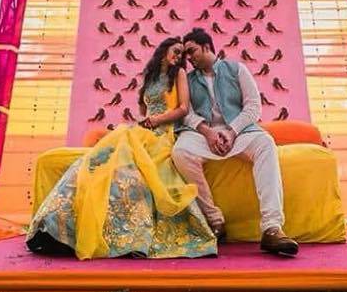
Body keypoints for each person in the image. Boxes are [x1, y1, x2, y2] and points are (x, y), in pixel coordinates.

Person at [27, 37, 217, 260]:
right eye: (176, 51)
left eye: (182, 55)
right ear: (164, 50)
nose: (178, 57)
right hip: (142, 131)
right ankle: (55, 229)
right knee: (95, 164)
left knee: (131, 175)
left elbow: (184, 108)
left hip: (163, 135)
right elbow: (144, 111)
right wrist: (146, 122)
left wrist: (156, 121)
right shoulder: (151, 78)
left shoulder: (180, 74)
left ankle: (129, 238)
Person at [171, 27, 299, 256]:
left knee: (265, 144)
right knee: (180, 152)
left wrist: (231, 131)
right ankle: (214, 220)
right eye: (186, 55)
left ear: (207, 46)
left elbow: (253, 107)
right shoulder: (187, 80)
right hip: (203, 134)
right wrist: (208, 132)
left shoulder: (237, 69)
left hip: (239, 131)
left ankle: (272, 228)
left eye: (191, 51)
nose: (188, 58)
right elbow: (186, 113)